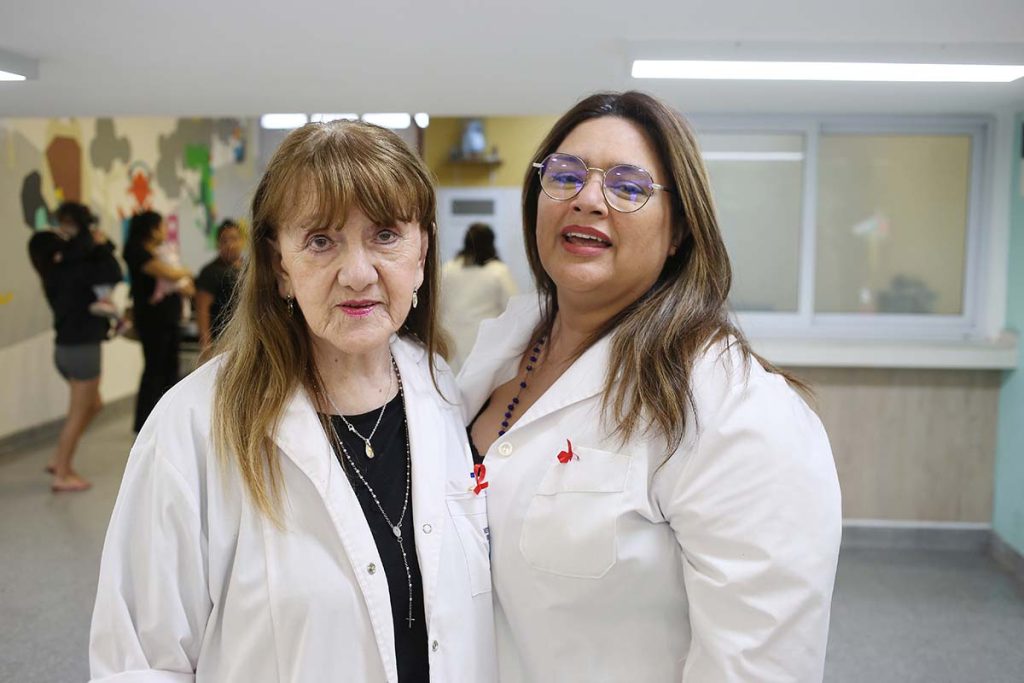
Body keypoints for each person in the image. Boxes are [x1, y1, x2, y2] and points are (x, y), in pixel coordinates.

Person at [90, 120, 497, 682]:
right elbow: (139, 663)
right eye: (321, 241)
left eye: (385, 235)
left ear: (422, 251)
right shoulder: (194, 424)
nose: (358, 274)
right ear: (280, 265)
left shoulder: (444, 391)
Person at [458, 92, 842, 682]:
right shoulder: (500, 350)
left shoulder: (735, 409)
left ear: (679, 229)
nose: (587, 199)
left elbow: (756, 666)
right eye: (565, 176)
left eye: (628, 186)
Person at [27, 201, 123, 492]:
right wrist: (100, 244)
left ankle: (58, 458)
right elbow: (113, 271)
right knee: (78, 412)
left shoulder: (53, 273)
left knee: (94, 404)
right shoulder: (77, 269)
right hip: (82, 350)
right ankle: (63, 472)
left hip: (65, 350)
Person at [122, 210, 194, 432]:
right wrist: (183, 271)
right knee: (154, 369)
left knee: (170, 369)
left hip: (169, 318)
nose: (164, 231)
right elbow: (171, 274)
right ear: (151, 229)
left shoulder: (159, 251)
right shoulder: (137, 252)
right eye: (161, 226)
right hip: (153, 321)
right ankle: (145, 424)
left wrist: (180, 274)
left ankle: (167, 419)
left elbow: (180, 280)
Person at [440, 223, 518, 371]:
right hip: (484, 343)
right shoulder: (498, 272)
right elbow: (513, 309)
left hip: (451, 340)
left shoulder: (448, 269)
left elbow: (438, 306)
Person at [195, 218, 243, 351]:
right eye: (224, 241)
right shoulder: (210, 272)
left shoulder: (250, 268)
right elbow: (202, 309)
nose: (230, 244)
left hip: (247, 338)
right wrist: (206, 346)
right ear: (218, 244)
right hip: (222, 342)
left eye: (234, 239)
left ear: (241, 241)